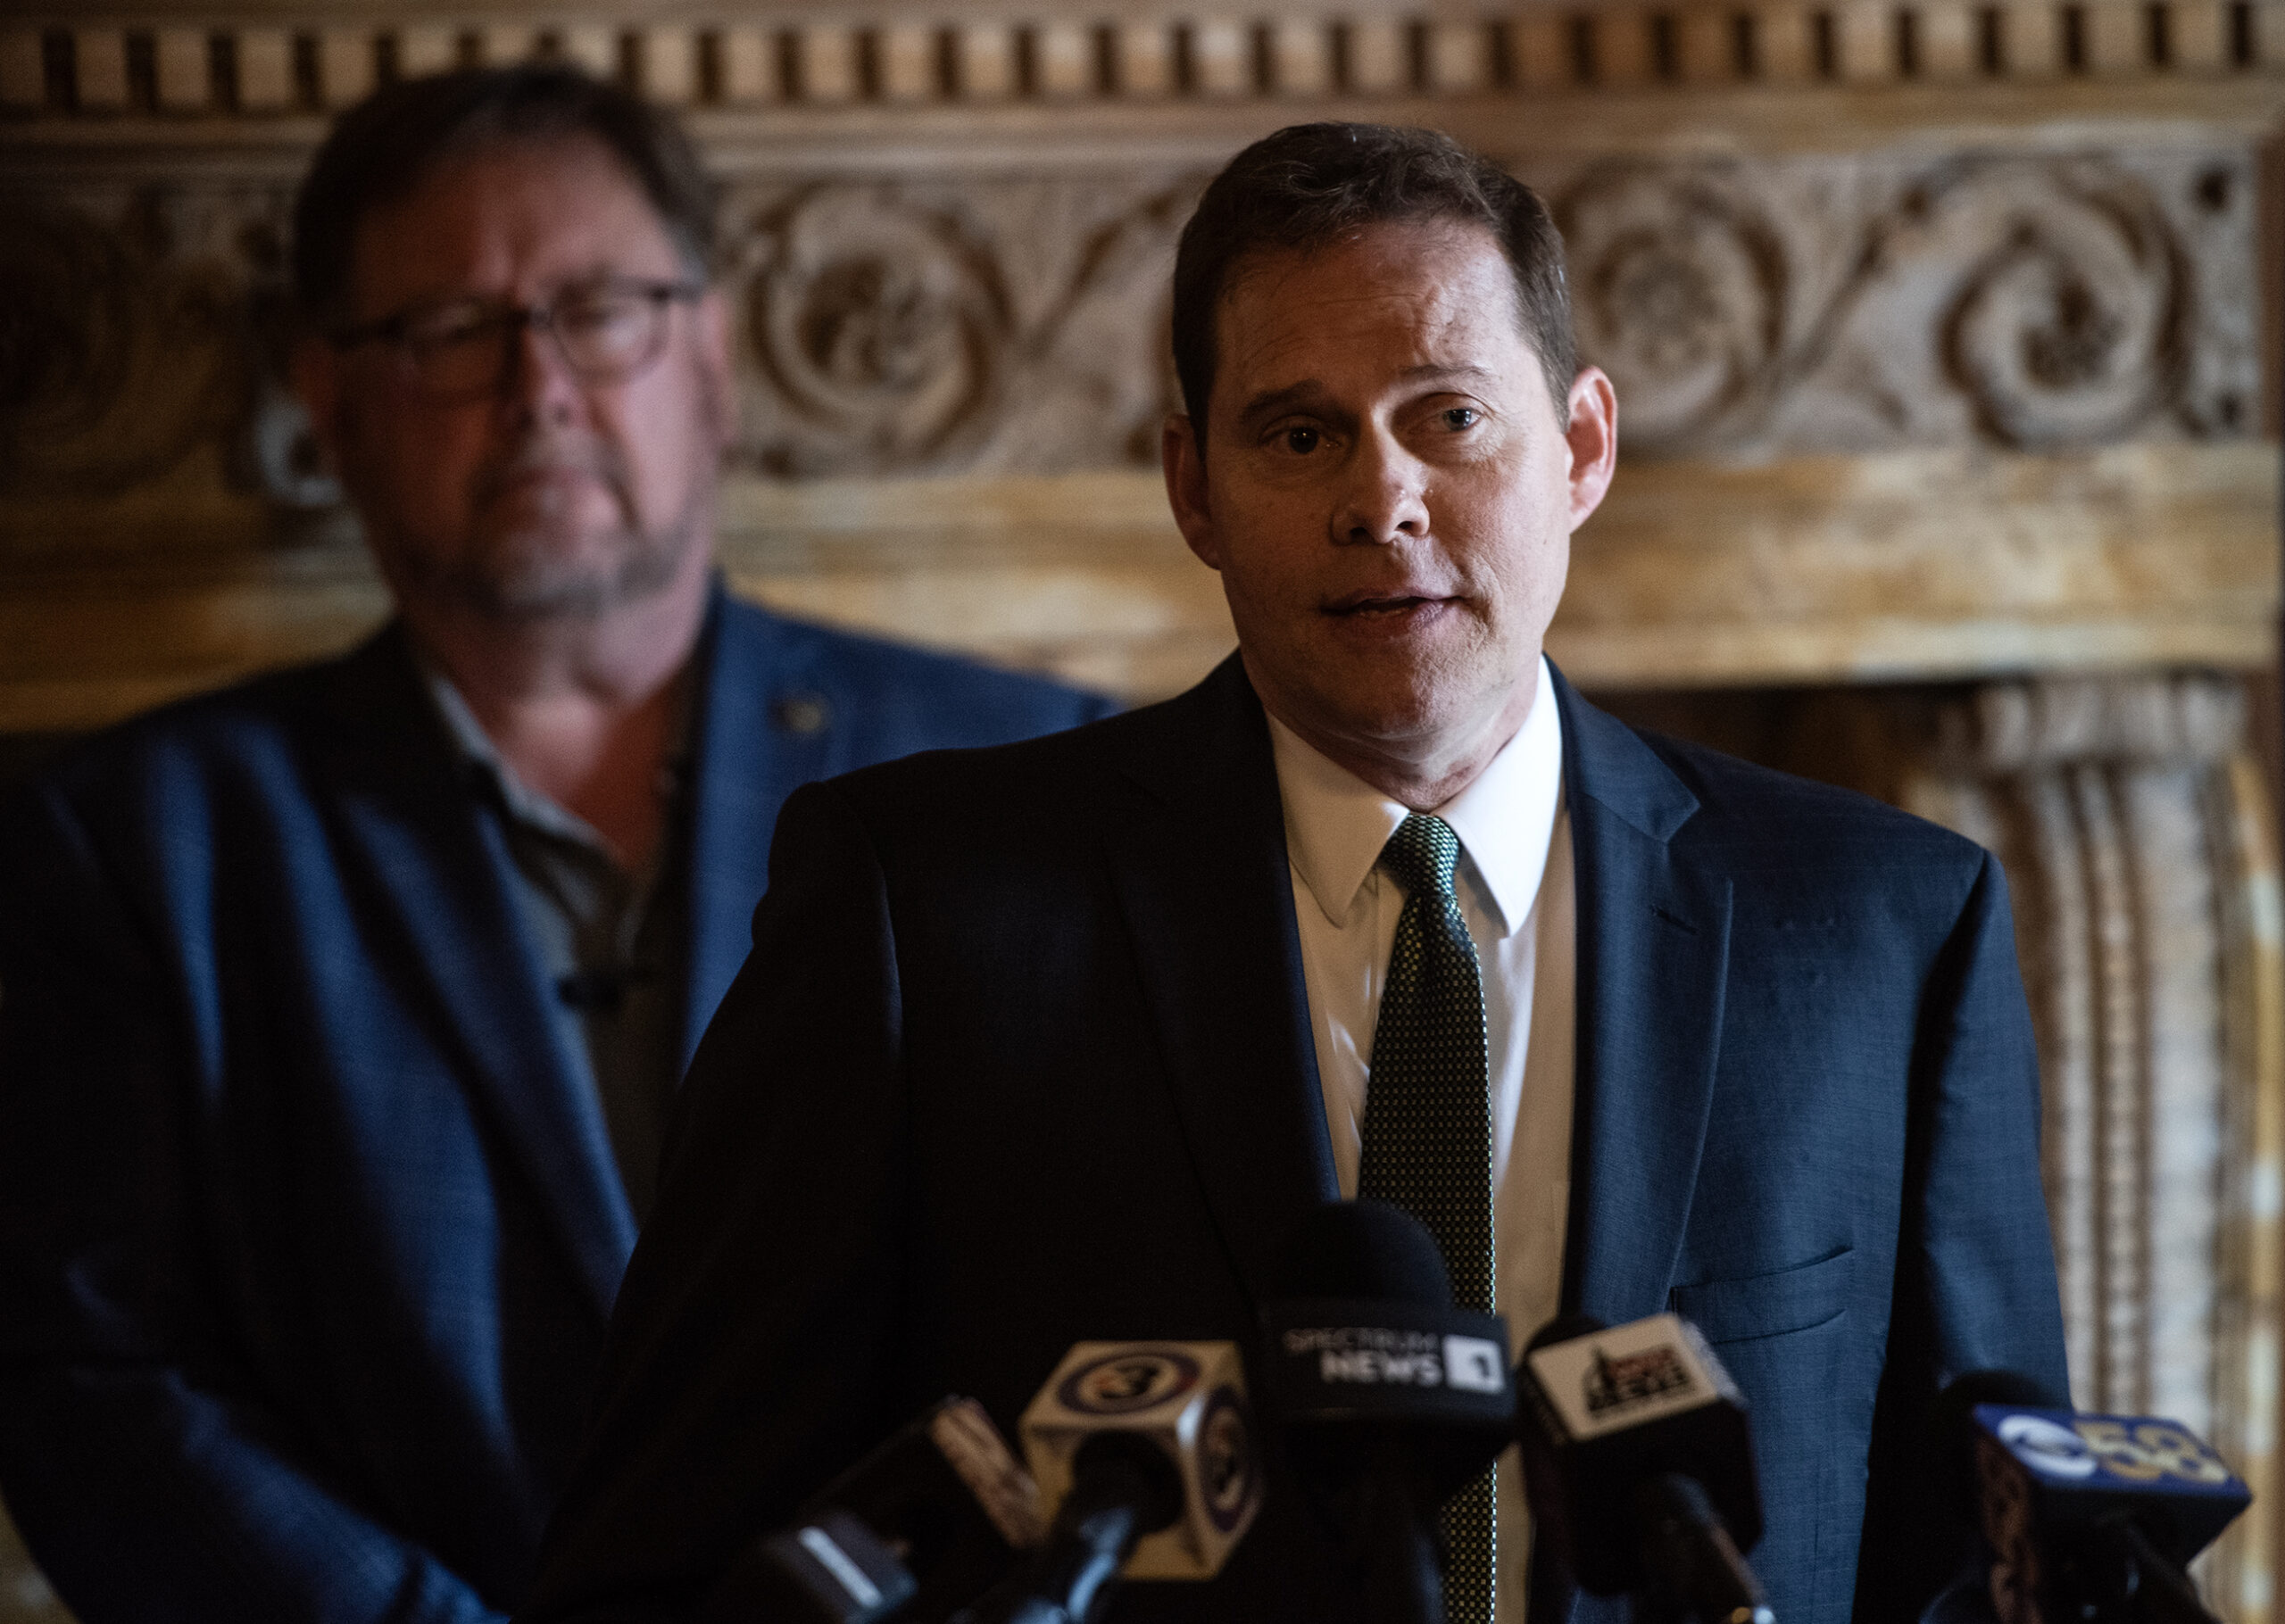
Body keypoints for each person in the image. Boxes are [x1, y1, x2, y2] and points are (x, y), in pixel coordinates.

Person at [518, 123, 2067, 1624]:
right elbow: (662, 1564)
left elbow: (1987, 1573)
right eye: (1300, 432)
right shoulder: (920, 911)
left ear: (1582, 445)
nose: (1378, 500)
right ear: (1194, 486)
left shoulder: (1885, 931)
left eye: (1450, 418)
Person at [0, 65, 1109, 1624]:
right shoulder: (135, 851)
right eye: (453, 330)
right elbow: (89, 1386)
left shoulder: (1045, 767)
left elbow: (1152, 1306)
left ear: (714, 360)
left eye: (602, 309)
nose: (540, 387)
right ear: (328, 400)